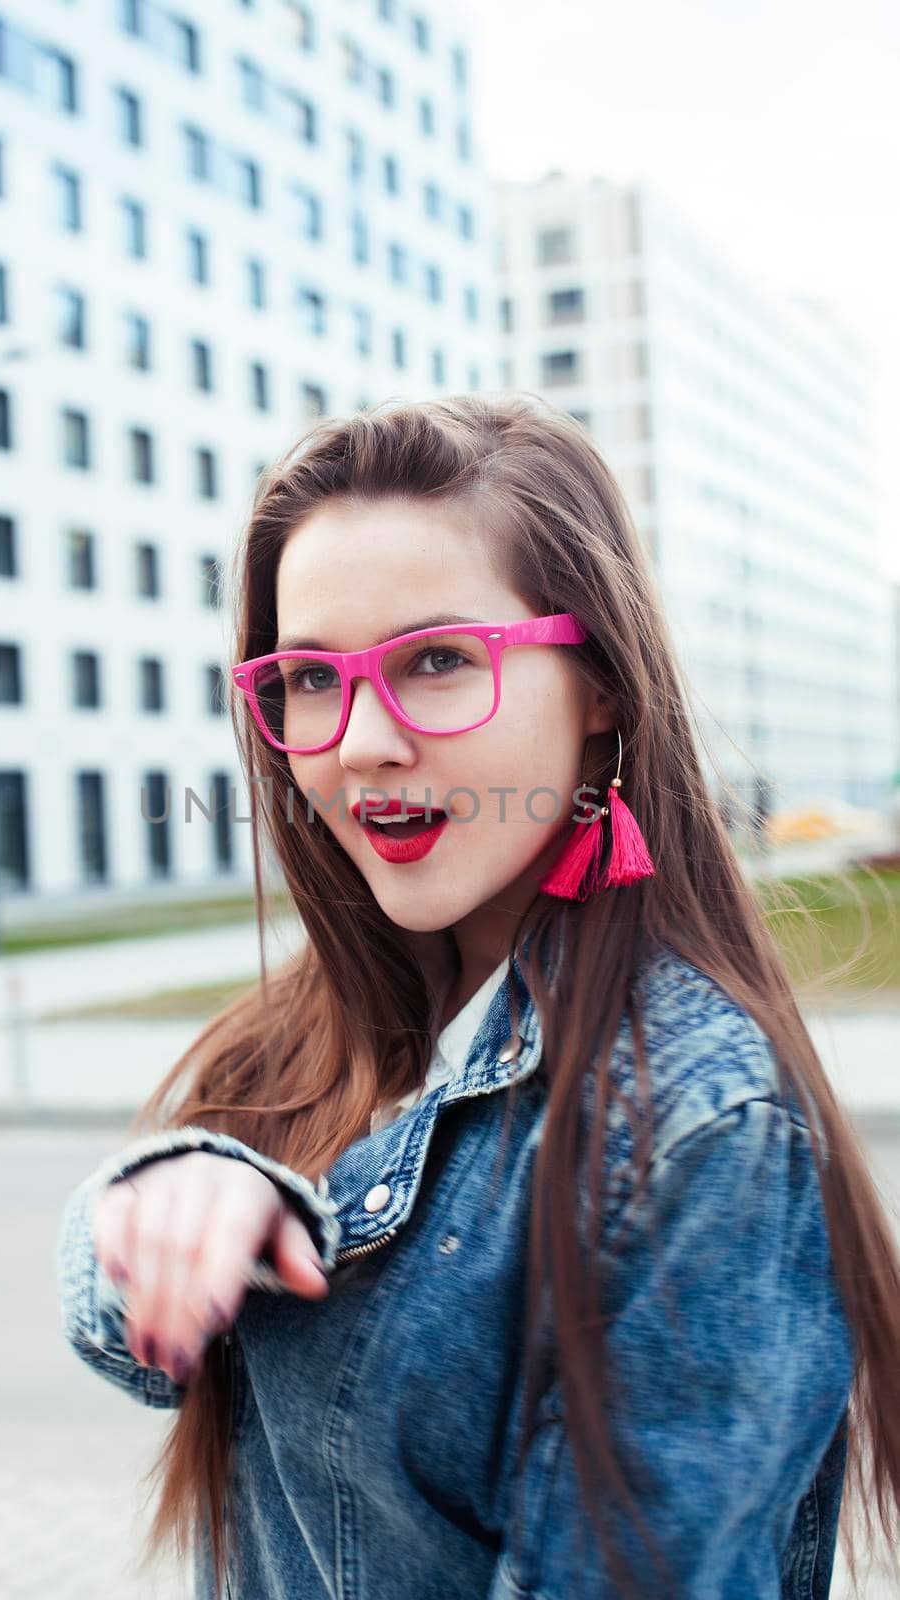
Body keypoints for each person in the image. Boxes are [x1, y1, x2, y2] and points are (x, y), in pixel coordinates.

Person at [55, 393, 900, 1600]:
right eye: (307, 676)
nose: (357, 743)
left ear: (599, 683)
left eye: (438, 661)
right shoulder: (313, 1026)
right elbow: (131, 1348)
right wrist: (157, 1195)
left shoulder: (694, 1127)